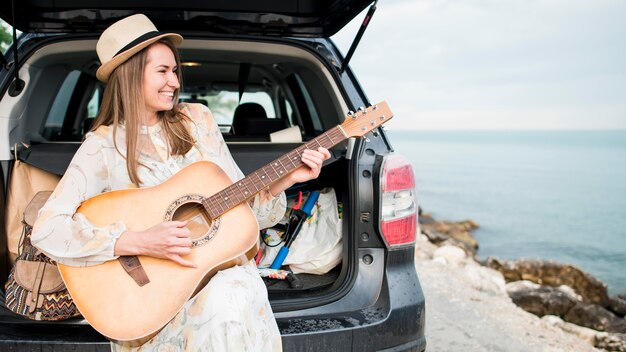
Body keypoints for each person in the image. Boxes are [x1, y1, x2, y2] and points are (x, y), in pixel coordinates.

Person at [31, 14, 330, 352]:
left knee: (229, 297)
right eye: (162, 71)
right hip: (156, 298)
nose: (174, 81)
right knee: (224, 304)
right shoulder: (102, 146)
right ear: (130, 75)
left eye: (174, 71)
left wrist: (286, 179)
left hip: (222, 276)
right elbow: (46, 230)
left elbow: (243, 213)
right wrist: (136, 241)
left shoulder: (197, 120)